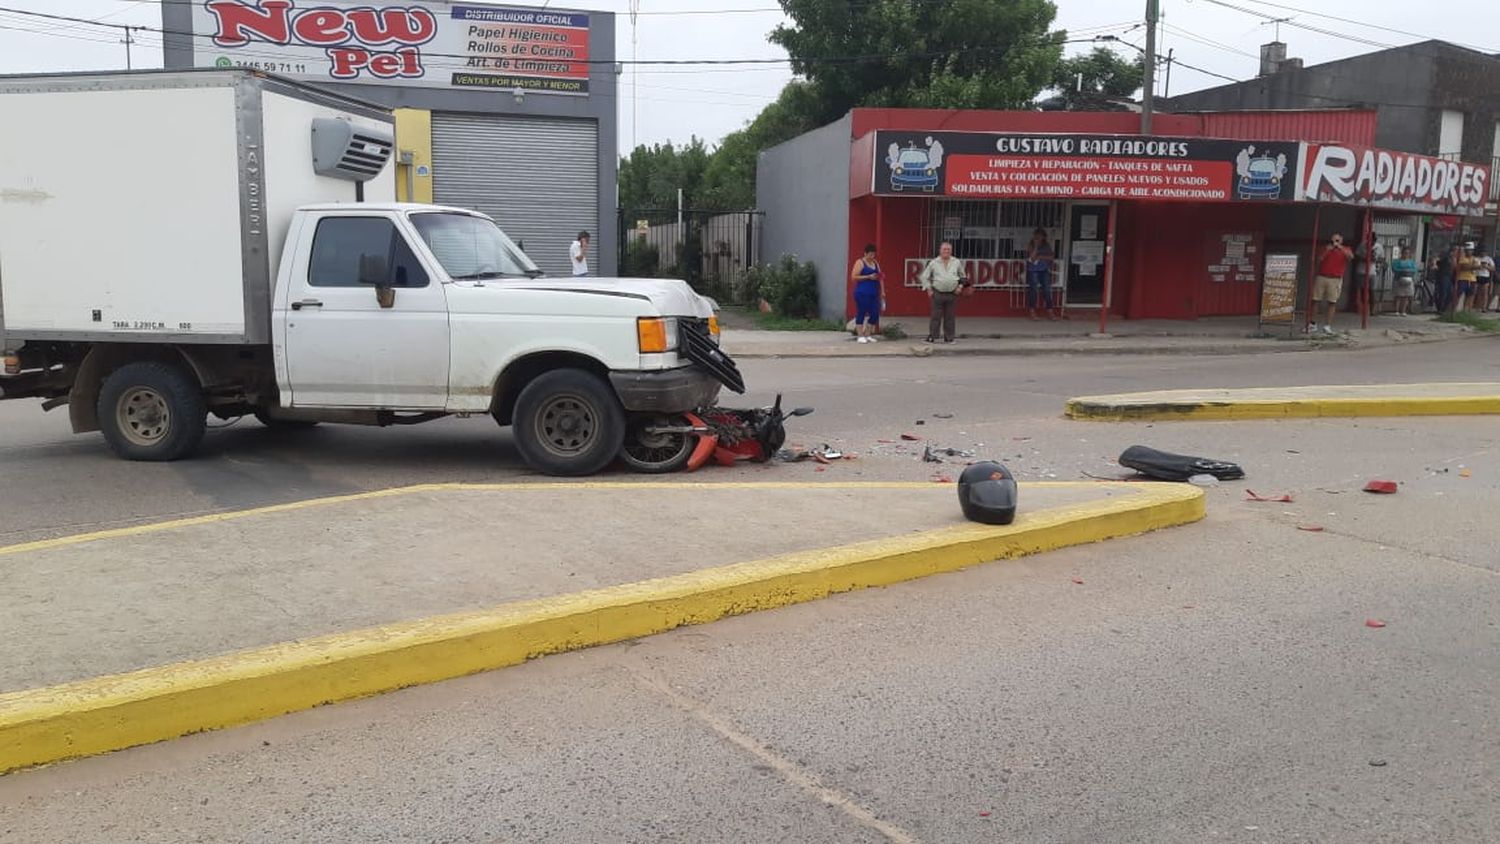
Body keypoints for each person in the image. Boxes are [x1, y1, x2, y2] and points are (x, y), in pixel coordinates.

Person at [919, 241, 967, 344]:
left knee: (950, 317)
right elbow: (924, 276)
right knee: (935, 316)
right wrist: (929, 288)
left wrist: (960, 287)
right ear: (940, 251)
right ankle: (932, 336)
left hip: (952, 293)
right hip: (938, 293)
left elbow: (963, 276)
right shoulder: (934, 262)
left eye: (948, 249)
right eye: (944, 249)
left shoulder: (956, 262)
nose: (946, 251)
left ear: (951, 251)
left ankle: (949, 338)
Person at [1310, 232, 1353, 335]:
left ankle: (1327, 326)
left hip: (1335, 279)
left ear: (1341, 241)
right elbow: (1319, 259)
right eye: (1333, 240)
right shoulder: (1325, 248)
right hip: (1322, 276)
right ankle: (1312, 324)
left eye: (1337, 240)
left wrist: (1340, 247)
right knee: (1315, 300)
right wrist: (1327, 250)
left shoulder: (1346, 249)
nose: (1334, 243)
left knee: (1332, 302)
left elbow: (1350, 257)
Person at [849, 244, 885, 344]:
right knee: (862, 312)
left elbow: (880, 277)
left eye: (873, 254)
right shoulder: (860, 262)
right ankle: (860, 335)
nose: (872, 256)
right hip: (862, 292)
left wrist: (882, 291)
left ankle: (868, 334)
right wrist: (868, 276)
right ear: (865, 253)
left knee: (875, 313)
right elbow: (854, 277)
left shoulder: (876, 263)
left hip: (874, 292)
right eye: (870, 254)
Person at [1025, 228, 1060, 321]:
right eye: (1037, 236)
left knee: (1047, 290)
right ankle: (1032, 311)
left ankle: (1050, 311)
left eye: (1041, 236)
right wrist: (1036, 246)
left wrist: (1041, 257)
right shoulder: (1031, 245)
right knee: (1034, 290)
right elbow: (1032, 258)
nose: (1039, 238)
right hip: (1033, 270)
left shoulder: (1046, 245)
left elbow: (1051, 257)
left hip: (1044, 270)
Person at [1390, 246, 1419, 316]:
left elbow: (1415, 269)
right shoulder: (1397, 261)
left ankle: (1403, 311)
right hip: (1398, 279)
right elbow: (1394, 268)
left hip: (1408, 280)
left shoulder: (1411, 262)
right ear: (1402, 253)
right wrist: (1403, 270)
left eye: (1408, 253)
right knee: (1398, 296)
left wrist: (1409, 271)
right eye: (1405, 253)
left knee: (1406, 296)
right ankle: (1396, 310)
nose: (1406, 254)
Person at [1454, 243, 1480, 313]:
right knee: (1458, 295)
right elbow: (1464, 267)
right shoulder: (1463, 258)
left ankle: (1465, 311)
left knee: (1470, 296)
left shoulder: (1475, 258)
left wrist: (1473, 266)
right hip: (1462, 278)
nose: (1469, 251)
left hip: (1472, 279)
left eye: (1470, 250)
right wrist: (1473, 266)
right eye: (1468, 250)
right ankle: (1453, 310)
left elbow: (1479, 267)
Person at [1432, 248, 1455, 315]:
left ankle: (1443, 308)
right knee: (1444, 292)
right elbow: (1438, 262)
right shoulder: (1446, 258)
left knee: (1449, 293)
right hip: (1444, 276)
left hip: (1449, 277)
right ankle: (1441, 308)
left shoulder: (1451, 259)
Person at [1475, 246, 1494, 313]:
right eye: (1482, 252)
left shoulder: (1489, 259)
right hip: (1477, 275)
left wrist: (1486, 266)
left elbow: (1493, 268)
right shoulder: (1477, 258)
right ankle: (1477, 306)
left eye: (1484, 252)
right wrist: (1478, 266)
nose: (1483, 253)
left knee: (1485, 292)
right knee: (1477, 292)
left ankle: (1484, 307)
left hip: (1485, 276)